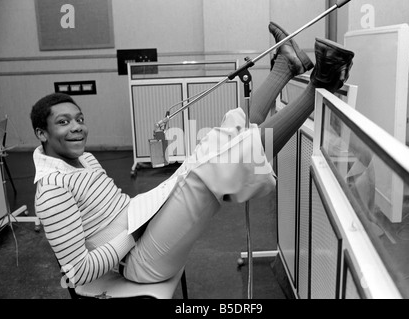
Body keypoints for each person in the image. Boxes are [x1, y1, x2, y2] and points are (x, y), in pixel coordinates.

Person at [30, 22, 354, 287]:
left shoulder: (83, 159)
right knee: (208, 172)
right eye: (63, 122)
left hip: (141, 223)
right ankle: (319, 87)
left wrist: (143, 217)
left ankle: (285, 67)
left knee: (216, 140)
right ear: (42, 134)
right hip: (138, 262)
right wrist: (135, 232)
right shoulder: (52, 189)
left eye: (80, 119)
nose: (76, 128)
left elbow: (114, 212)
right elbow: (78, 272)